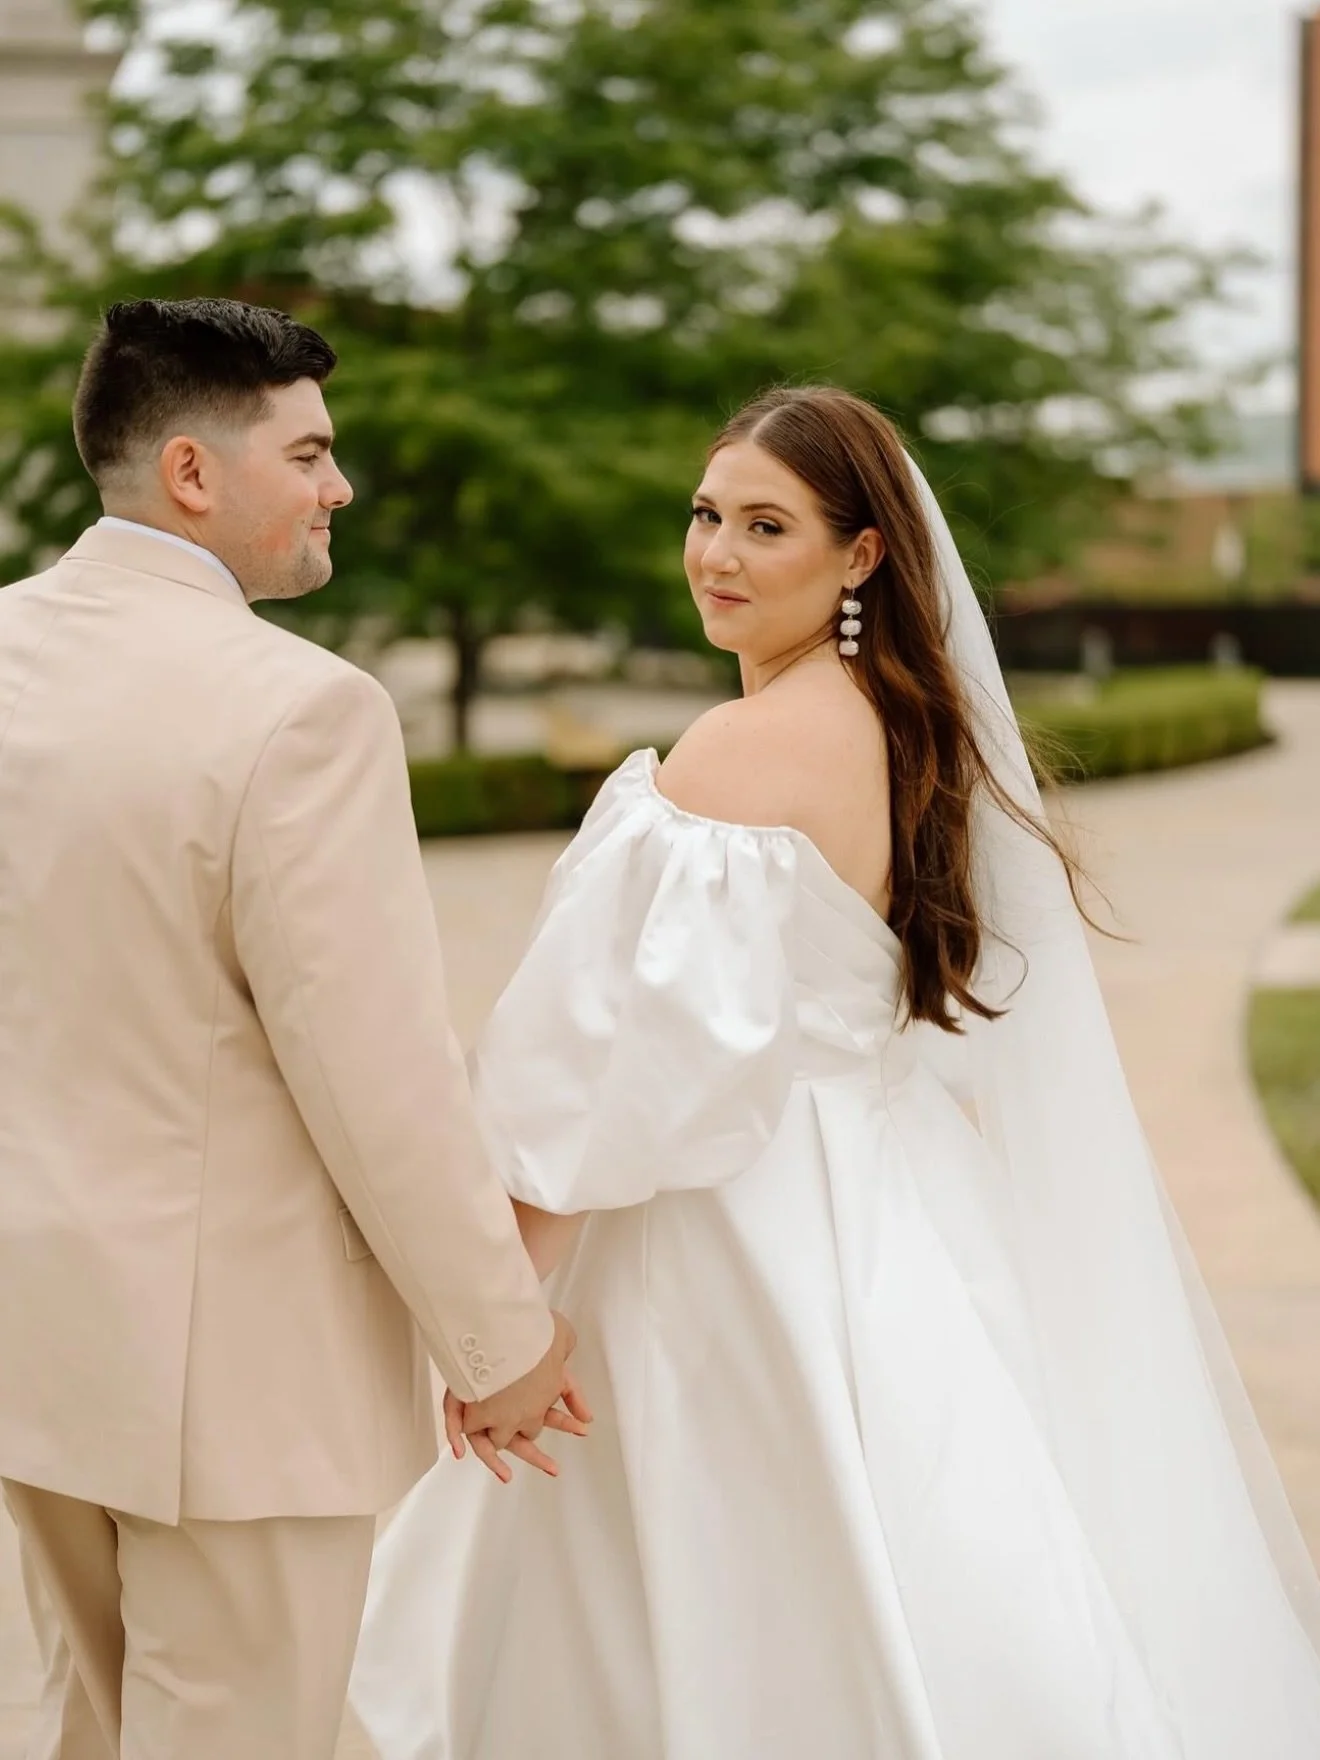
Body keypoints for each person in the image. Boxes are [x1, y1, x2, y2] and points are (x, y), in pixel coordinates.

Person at [352, 385, 1320, 1759]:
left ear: (861, 553)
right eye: (706, 515)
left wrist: (500, 1323)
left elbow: (606, 1080)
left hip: (727, 1234)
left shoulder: (743, 750)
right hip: (886, 1193)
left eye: (767, 526)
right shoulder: (897, 725)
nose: (717, 554)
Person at [0, 296, 585, 1760]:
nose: (343, 488)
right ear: (193, 472)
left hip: (36, 1343)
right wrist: (499, 1341)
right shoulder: (302, 712)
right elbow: (377, 1080)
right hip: (233, 1385)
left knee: (91, 1730)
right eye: (312, 454)